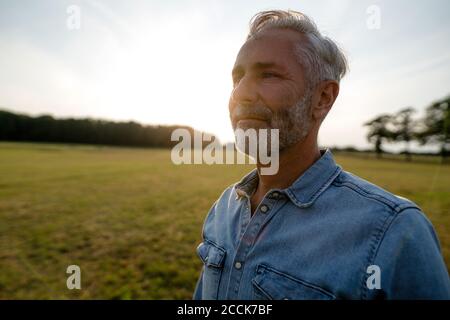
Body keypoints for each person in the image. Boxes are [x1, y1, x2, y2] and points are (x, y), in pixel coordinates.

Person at [193, 9, 450, 300]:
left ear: (322, 98)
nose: (241, 94)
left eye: (269, 75)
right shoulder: (225, 208)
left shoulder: (394, 232)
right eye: (237, 78)